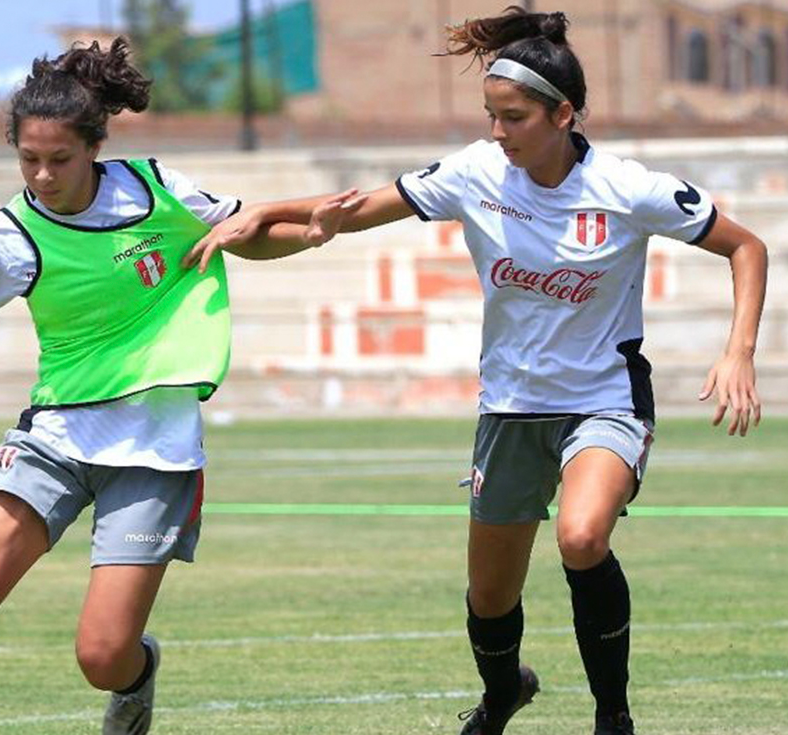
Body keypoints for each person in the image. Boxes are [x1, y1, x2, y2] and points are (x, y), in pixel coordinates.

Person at [184, 7, 767, 735]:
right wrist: (266, 212)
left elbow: (747, 247)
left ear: (564, 114)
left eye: (514, 117)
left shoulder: (629, 188)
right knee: (490, 597)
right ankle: (503, 692)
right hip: (510, 408)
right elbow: (359, 207)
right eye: (491, 115)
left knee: (583, 537)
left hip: (603, 401)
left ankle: (613, 715)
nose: (498, 132)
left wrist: (738, 349)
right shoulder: (476, 172)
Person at [0, 38, 354, 735]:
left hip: (156, 449)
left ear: (93, 146)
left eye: (60, 159)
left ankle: (137, 678)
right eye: (29, 160)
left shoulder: (156, 189)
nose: (44, 176)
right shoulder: (6, 234)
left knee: (103, 653)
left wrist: (310, 233)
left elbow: (247, 231)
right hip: (54, 436)